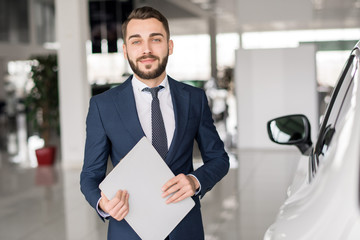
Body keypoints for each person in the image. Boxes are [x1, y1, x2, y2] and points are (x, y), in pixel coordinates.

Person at [80, 6, 229, 240]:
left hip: (185, 229)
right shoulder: (103, 105)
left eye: (155, 39)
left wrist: (195, 180)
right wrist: (103, 204)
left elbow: (219, 159)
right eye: (136, 41)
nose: (146, 50)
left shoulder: (194, 98)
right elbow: (90, 174)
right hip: (128, 229)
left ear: (169, 46)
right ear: (125, 50)